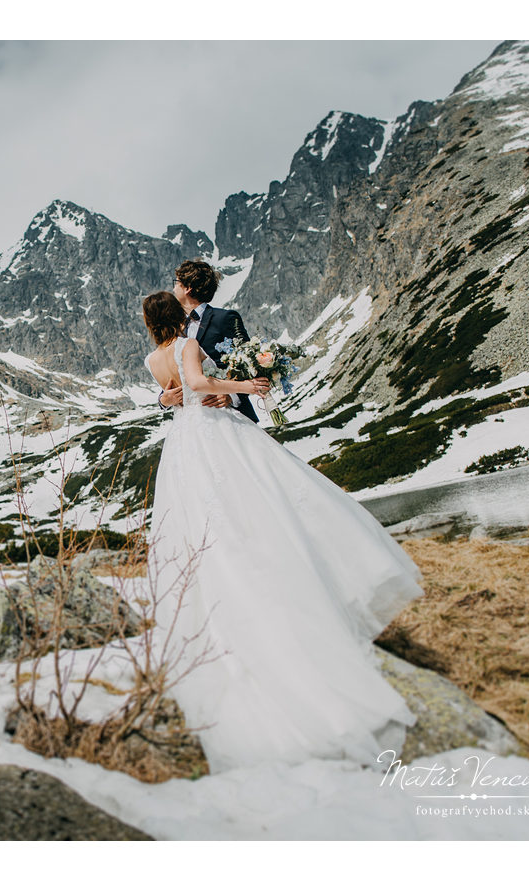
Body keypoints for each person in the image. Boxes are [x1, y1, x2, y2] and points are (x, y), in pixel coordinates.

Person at [141, 288, 424, 772]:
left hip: (184, 442)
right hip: (213, 435)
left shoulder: (150, 359)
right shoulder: (188, 345)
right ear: (178, 314)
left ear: (150, 322)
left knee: (203, 521)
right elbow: (193, 382)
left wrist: (185, 395)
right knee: (261, 498)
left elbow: (173, 395)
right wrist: (245, 389)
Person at [156, 259, 260, 424]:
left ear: (188, 288)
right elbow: (173, 373)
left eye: (177, 283)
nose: (173, 288)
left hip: (229, 416)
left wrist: (231, 397)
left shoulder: (224, 318)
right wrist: (163, 400)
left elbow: (249, 364)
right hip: (193, 421)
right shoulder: (173, 329)